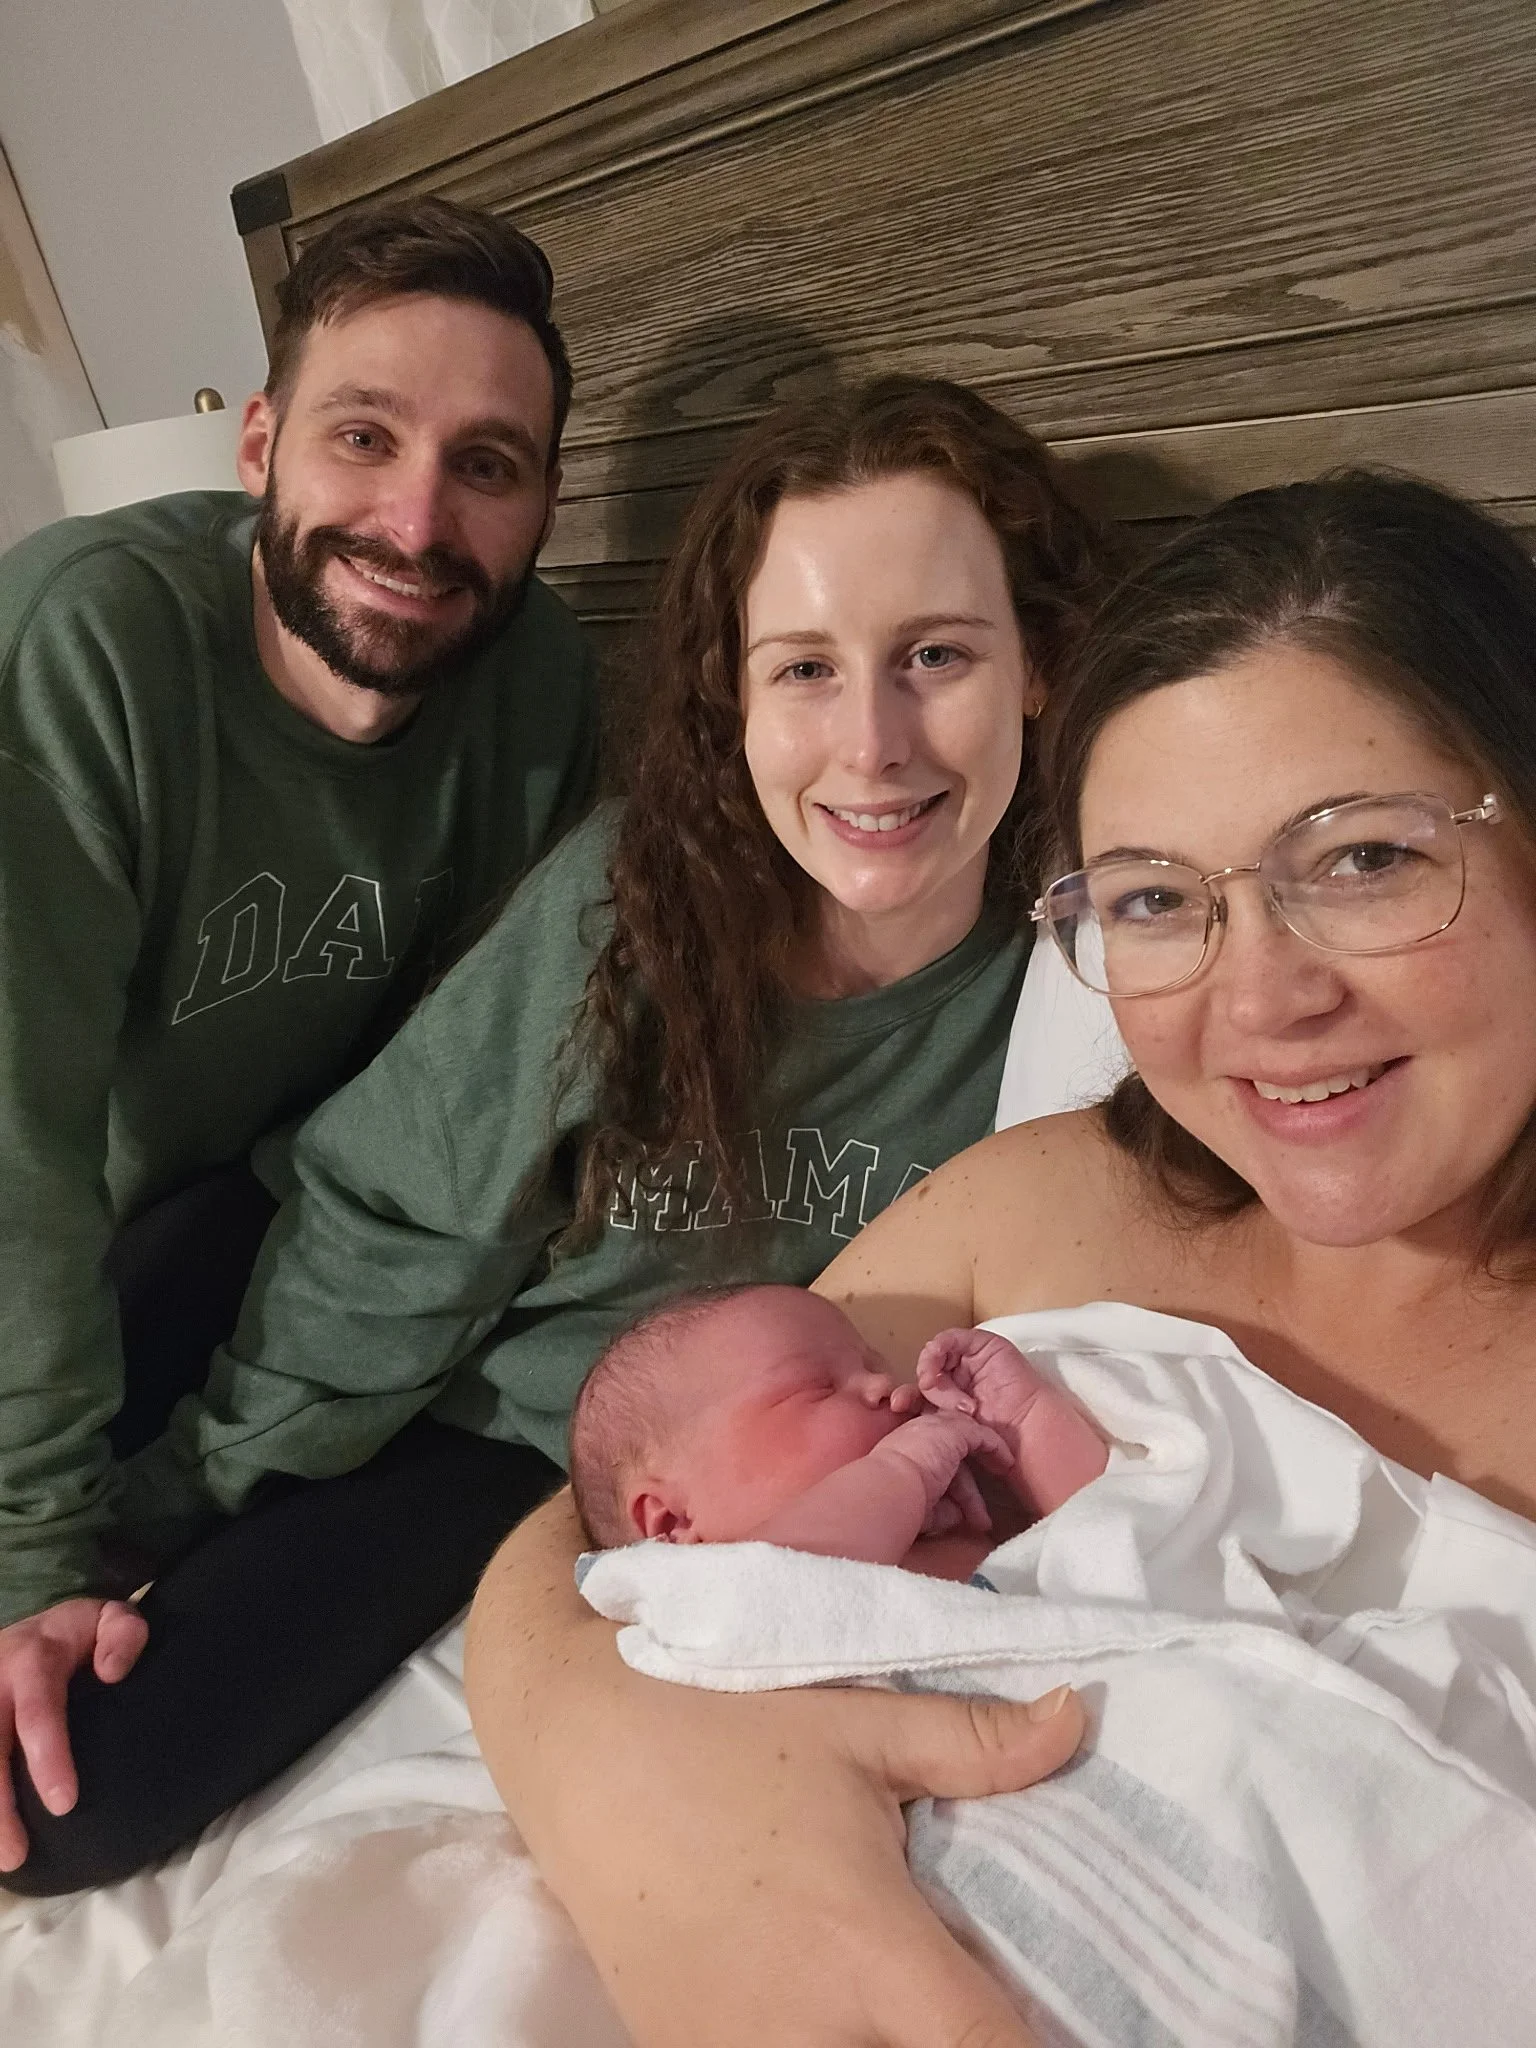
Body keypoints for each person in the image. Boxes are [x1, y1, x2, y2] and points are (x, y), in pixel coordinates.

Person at [465, 470, 1536, 2048]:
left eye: (1366, 859)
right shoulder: (1050, 1206)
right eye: (1160, 899)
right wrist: (652, 1813)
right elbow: (592, 1530)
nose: (1258, 1004)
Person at [0, 376, 1113, 1893]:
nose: (871, 743)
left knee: (61, 1795)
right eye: (803, 668)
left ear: (1039, 663)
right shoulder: (635, 900)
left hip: (507, 1440)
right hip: (313, 1275)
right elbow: (392, 1227)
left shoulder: (1079, 992)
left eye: (934, 656)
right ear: (734, 694)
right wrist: (145, 1520)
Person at [0, 189, 600, 1878]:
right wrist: (30, 1553)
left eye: (488, 464)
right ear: (258, 443)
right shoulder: (81, 648)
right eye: (363, 436)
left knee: (76, 1796)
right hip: (64, 1223)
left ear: (547, 505)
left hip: (290, 1214)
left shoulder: (542, 689)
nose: (416, 520)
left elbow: (482, 1084)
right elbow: (14, 1158)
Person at [568, 1284, 1106, 1564]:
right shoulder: (695, 1602)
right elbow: (783, 1589)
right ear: (671, 1525)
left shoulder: (950, 1528)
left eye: (875, 1366)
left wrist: (1023, 1423)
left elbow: (1111, 1542)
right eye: (817, 1388)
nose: (888, 1390)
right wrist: (901, 1470)